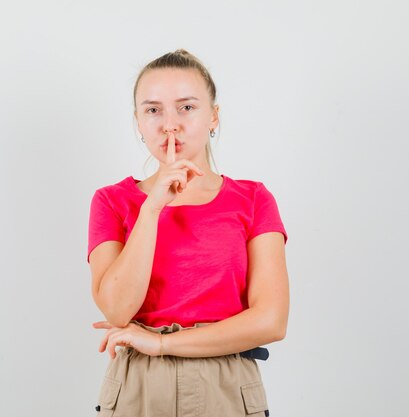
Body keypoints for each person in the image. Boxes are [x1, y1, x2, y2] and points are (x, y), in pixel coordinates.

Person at [87, 49, 289, 417]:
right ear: (137, 121)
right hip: (138, 389)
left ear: (213, 115)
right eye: (153, 110)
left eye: (186, 107)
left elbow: (271, 321)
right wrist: (152, 208)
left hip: (225, 384)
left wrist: (163, 344)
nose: (169, 124)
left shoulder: (254, 199)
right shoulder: (112, 201)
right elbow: (117, 309)